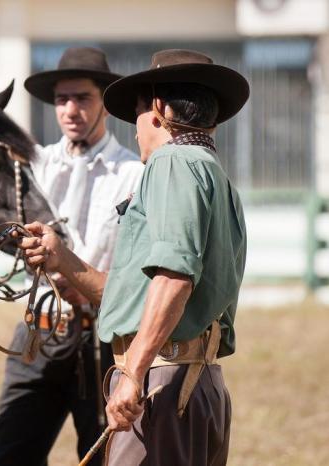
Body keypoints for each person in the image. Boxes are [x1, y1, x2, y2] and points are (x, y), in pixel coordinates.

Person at [13, 49, 249, 466]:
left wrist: (134, 372)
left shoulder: (172, 161)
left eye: (136, 114)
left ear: (157, 109)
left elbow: (175, 277)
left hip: (163, 379)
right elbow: (135, 293)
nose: (136, 131)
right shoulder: (211, 170)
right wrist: (60, 255)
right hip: (198, 380)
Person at [0, 47, 144, 466]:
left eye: (83, 98)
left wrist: (83, 281)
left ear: (105, 103)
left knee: (102, 457)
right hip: (37, 330)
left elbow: (137, 266)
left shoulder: (134, 174)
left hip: (101, 337)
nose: (70, 109)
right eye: (62, 100)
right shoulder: (34, 165)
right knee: (10, 453)